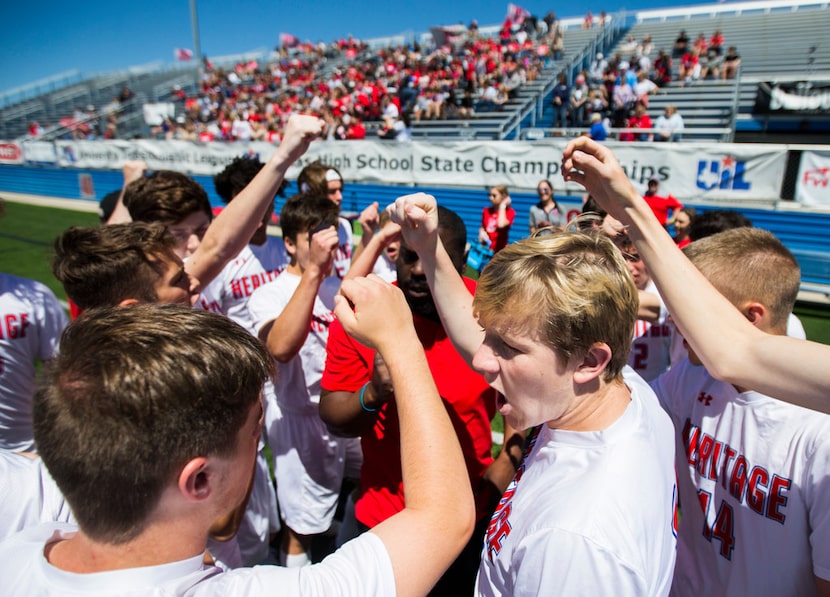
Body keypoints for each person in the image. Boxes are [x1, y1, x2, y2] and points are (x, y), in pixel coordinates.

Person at [0, 303, 475, 596]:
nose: (259, 439)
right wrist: (402, 345)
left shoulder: (22, 549)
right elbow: (443, 517)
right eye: (253, 429)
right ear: (199, 480)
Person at [387, 193, 678, 596]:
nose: (483, 359)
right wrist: (429, 247)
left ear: (589, 360)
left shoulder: (574, 543)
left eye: (508, 347)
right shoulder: (619, 388)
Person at [320, 206, 522, 596]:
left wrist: (505, 465)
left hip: (468, 519)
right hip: (384, 520)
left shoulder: (491, 312)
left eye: (430, 258)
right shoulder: (365, 313)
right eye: (409, 256)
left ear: (461, 263)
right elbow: (332, 414)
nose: (416, 270)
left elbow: (520, 391)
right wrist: (373, 393)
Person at [561, 136, 830, 416]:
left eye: (702, 296)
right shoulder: (686, 378)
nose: (680, 320)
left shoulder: (810, 429)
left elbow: (736, 352)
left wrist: (629, 208)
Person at [650, 228, 830, 596]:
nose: (675, 318)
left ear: (751, 317)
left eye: (693, 306)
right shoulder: (690, 377)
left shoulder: (818, 433)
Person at [247, 194, 360, 567]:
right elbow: (279, 348)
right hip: (300, 423)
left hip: (344, 410)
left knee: (359, 491)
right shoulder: (268, 294)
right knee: (302, 527)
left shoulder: (335, 287)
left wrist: (376, 235)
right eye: (314, 237)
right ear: (291, 244)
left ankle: (337, 562)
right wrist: (313, 271)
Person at [478, 185, 515, 253]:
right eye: (489, 195)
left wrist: (502, 206)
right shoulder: (486, 210)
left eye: (494, 196)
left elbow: (501, 224)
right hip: (485, 250)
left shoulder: (509, 212)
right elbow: (483, 226)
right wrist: (481, 233)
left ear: (503, 196)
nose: (491, 198)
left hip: (499, 251)